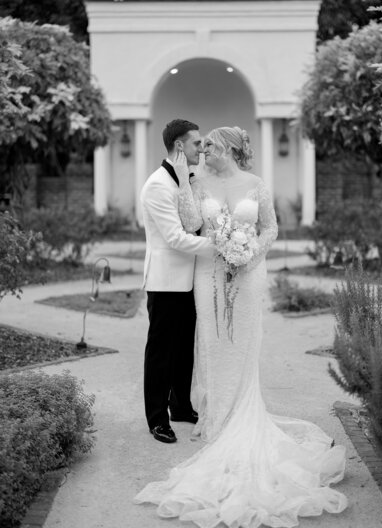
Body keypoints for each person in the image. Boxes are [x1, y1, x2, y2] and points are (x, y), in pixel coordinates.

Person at [135, 126, 347, 528]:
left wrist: (248, 254)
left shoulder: (256, 184)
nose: (205, 150)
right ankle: (213, 415)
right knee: (211, 343)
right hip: (208, 273)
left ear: (230, 148)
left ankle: (227, 411)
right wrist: (217, 235)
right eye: (201, 143)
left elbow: (271, 228)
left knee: (243, 343)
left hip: (247, 273)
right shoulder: (194, 182)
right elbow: (193, 224)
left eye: (210, 144)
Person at [140, 118, 215, 445]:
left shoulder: (188, 179)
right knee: (161, 352)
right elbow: (174, 238)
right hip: (166, 281)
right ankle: (157, 418)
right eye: (197, 143)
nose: (202, 147)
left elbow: (195, 222)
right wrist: (220, 247)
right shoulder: (158, 185)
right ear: (180, 146)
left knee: (184, 348)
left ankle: (181, 406)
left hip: (190, 280)